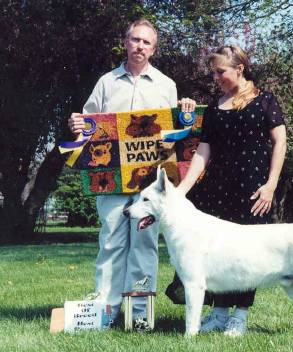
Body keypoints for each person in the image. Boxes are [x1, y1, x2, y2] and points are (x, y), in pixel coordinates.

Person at [68, 19, 195, 330]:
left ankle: (140, 315)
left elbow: (177, 132)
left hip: (151, 183)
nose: (139, 46)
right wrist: (77, 125)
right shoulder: (106, 82)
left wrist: (186, 111)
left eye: (146, 42)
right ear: (125, 42)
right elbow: (88, 123)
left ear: (154, 49)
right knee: (110, 241)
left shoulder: (166, 85)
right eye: (135, 40)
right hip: (110, 179)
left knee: (144, 244)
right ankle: (105, 313)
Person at [176, 45, 287, 336]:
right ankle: (219, 313)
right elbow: (202, 152)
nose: (216, 77)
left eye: (220, 71)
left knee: (248, 255)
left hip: (253, 190)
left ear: (239, 68)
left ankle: (240, 316)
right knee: (219, 256)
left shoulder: (265, 101)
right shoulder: (214, 107)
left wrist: (271, 185)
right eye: (214, 72)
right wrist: (182, 190)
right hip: (216, 191)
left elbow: (280, 143)